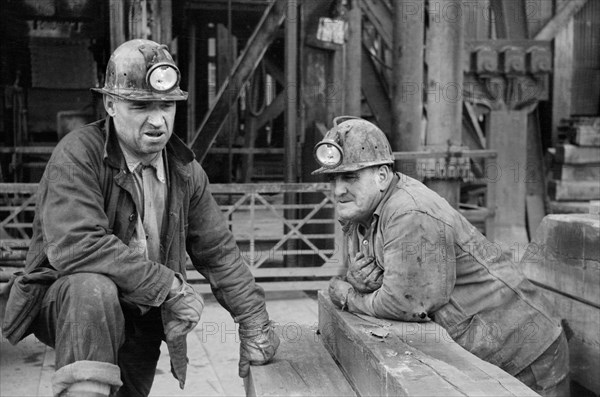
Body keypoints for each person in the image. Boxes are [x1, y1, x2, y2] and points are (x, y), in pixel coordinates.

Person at [2, 39, 279, 397]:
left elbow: (219, 253)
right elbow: (76, 246)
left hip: (143, 312)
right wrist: (170, 286)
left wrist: (255, 321)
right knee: (92, 289)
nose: (158, 119)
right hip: (72, 306)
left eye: (167, 105)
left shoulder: (185, 171)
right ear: (111, 104)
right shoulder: (78, 155)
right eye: (140, 105)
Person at [314, 116, 569, 397]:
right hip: (478, 353)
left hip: (526, 353)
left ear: (382, 176)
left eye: (350, 177)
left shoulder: (409, 213)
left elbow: (402, 304)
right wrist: (354, 280)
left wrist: (350, 297)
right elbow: (356, 276)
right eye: (333, 179)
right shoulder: (360, 213)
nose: (338, 189)